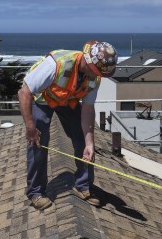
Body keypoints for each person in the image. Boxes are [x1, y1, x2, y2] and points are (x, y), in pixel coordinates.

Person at [18, 40, 117, 211]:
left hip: (67, 101)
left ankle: (83, 185)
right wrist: (30, 127)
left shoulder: (95, 78)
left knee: (82, 137)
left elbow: (87, 109)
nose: (94, 75)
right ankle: (36, 192)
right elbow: (24, 92)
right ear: (86, 59)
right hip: (42, 100)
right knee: (38, 140)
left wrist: (90, 143)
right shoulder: (56, 65)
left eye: (98, 72)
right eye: (93, 70)